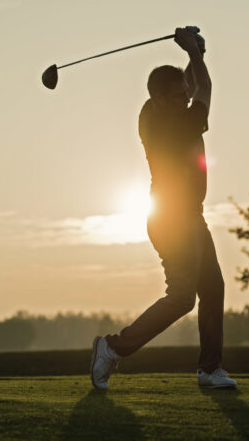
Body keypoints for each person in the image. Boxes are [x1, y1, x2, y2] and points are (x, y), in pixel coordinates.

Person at [90, 26, 236, 390]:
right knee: (183, 296)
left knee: (213, 289)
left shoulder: (151, 112)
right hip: (173, 218)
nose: (185, 101)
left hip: (186, 217)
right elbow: (205, 89)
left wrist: (192, 57)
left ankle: (209, 368)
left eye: (183, 96)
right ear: (158, 99)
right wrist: (196, 56)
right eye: (177, 98)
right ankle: (112, 347)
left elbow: (188, 87)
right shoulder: (179, 123)